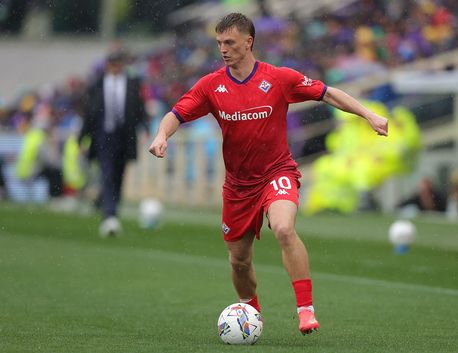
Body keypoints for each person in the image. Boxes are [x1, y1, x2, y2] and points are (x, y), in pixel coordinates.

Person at [148, 13, 388, 335]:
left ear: (249, 42)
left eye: (230, 43)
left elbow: (328, 93)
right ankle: (251, 310)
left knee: (284, 228)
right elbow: (176, 113)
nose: (223, 49)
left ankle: (305, 310)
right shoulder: (212, 86)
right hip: (238, 186)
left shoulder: (278, 78)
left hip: (277, 172)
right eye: (219, 43)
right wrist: (162, 135)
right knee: (239, 261)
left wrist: (368, 114)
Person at [79, 48, 146, 237]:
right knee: (107, 173)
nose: (116, 68)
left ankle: (112, 210)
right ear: (108, 66)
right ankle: (109, 214)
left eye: (119, 64)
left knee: (119, 175)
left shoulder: (132, 84)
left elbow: (138, 109)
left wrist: (146, 129)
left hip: (125, 136)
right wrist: (82, 137)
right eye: (113, 64)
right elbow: (89, 113)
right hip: (103, 135)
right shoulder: (98, 85)